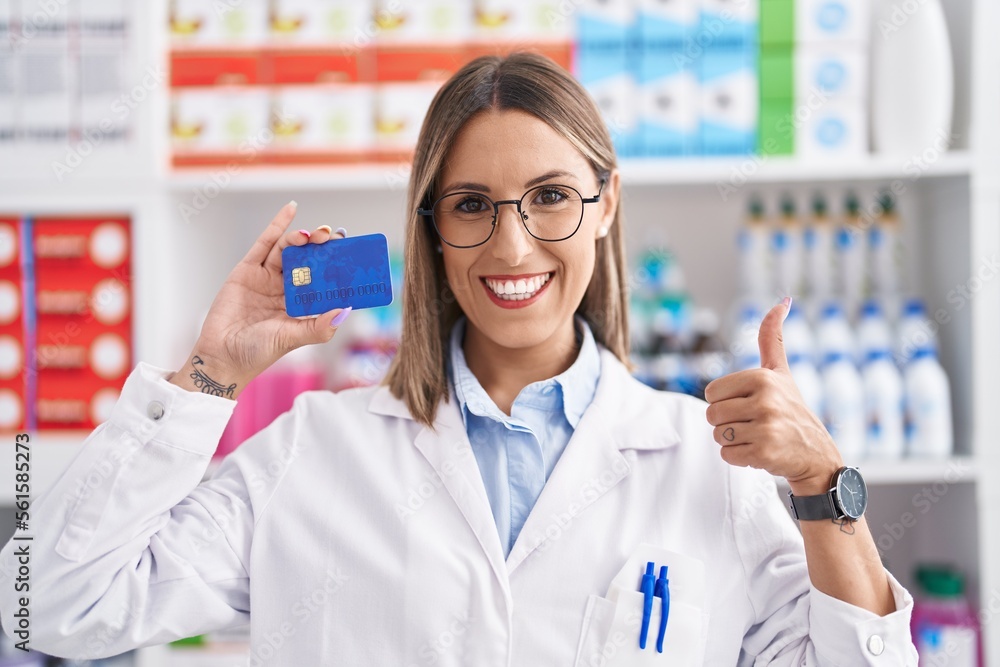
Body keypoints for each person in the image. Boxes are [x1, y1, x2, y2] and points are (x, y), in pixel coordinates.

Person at [0, 53, 918, 665]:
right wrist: (209, 375)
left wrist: (821, 486)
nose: (512, 247)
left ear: (605, 204)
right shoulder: (310, 452)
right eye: (472, 204)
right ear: (431, 229)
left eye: (551, 196)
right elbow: (50, 604)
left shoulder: (701, 462)